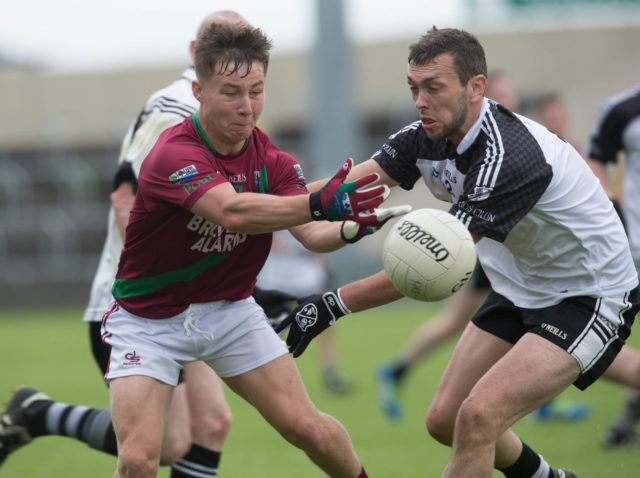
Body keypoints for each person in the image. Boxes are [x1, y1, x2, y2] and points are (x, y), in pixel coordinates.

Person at [276, 27, 640, 478]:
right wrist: (251, 203)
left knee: (478, 418)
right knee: (444, 421)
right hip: (519, 285)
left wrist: (334, 303)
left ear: (476, 87)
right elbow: (332, 194)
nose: (420, 100)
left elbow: (426, 268)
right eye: (414, 88)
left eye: (434, 87)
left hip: (590, 294)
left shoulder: (508, 157)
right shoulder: (422, 136)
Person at [0, 10, 309, 476]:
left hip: (195, 299)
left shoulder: (229, 114)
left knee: (210, 424)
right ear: (197, 54)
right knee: (165, 443)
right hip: (142, 302)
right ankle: (40, 414)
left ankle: (38, 413)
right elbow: (126, 197)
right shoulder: (174, 111)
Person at [97, 21, 405, 478]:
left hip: (229, 313)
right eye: (231, 93)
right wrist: (317, 203)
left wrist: (349, 229)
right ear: (199, 90)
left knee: (310, 430)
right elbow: (233, 212)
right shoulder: (173, 152)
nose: (247, 107)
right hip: (148, 320)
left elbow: (311, 233)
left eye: (256, 91)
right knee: (140, 459)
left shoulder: (272, 161)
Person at [376, 77, 589, 424]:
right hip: (491, 249)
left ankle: (400, 370)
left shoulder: (539, 144)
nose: (508, 101)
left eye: (511, 95)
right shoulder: (489, 148)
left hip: (518, 255)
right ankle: (397, 369)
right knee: (463, 322)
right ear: (480, 96)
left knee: (492, 322)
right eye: (501, 95)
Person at [585, 84, 640, 447]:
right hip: (634, 246)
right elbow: (595, 159)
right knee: (595, 346)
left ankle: (624, 424)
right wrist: (609, 204)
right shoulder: (622, 108)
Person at [258, 229, 352, 394]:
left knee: (325, 319)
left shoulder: (307, 205)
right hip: (277, 270)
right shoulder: (272, 203)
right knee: (270, 325)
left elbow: (320, 233)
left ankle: (331, 371)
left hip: (305, 270)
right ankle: (263, 373)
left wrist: (322, 263)